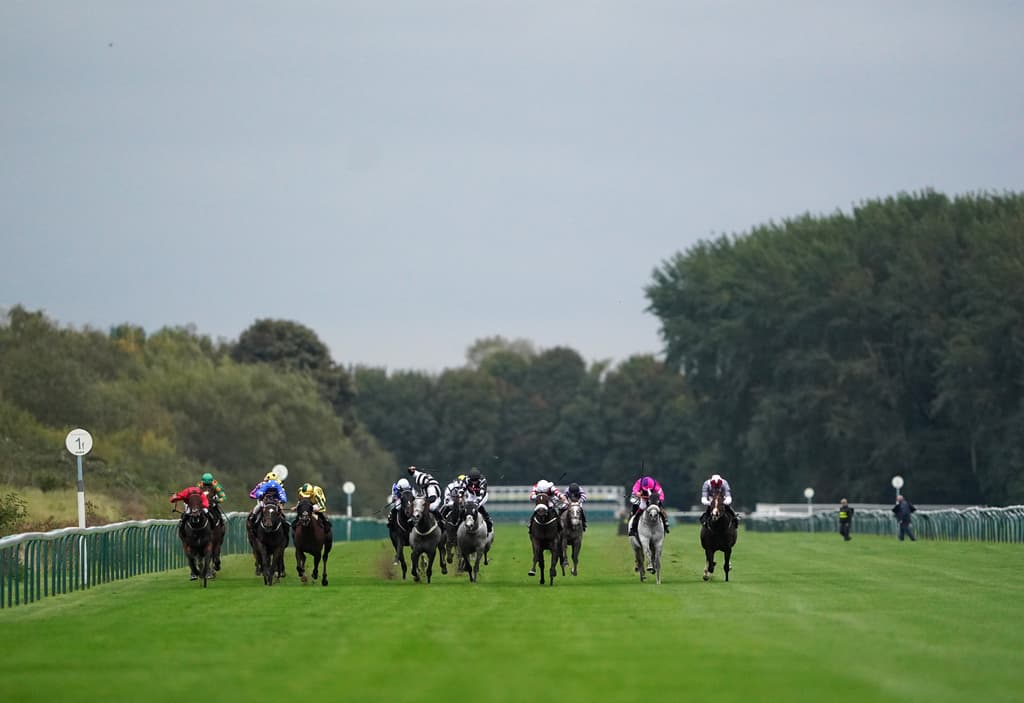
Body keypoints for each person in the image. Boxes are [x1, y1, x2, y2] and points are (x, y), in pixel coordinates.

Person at [463, 468, 493, 533]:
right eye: (472, 480)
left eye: (476, 480)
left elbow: (481, 494)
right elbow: (462, 489)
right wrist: (460, 497)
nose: (474, 482)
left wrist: (476, 502)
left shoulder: (483, 481)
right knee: (467, 507)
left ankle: (488, 520)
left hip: (482, 496)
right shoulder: (466, 479)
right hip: (471, 494)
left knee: (477, 506)